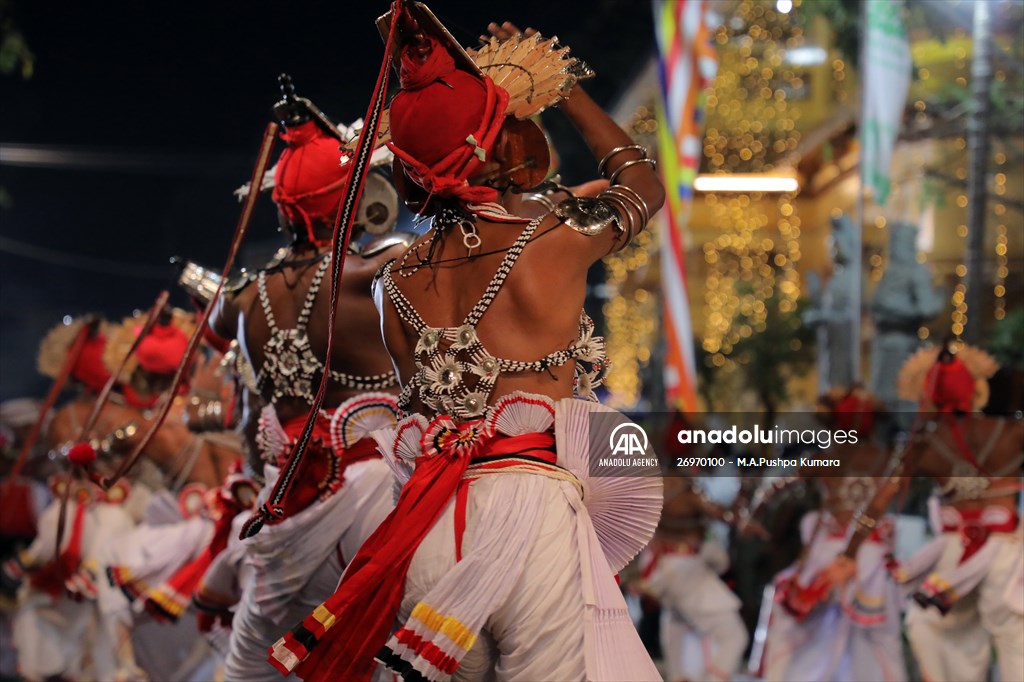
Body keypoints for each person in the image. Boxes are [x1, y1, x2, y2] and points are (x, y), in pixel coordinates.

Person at [270, 13, 664, 681]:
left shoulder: (392, 280)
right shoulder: (554, 240)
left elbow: (414, 409)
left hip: (428, 523)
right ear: (496, 144)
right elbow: (641, 183)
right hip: (532, 520)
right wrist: (563, 87)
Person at [208, 85, 407, 681]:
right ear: (352, 198)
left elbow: (215, 325)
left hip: (283, 496)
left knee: (255, 661)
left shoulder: (242, 299)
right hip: (376, 493)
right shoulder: (375, 273)